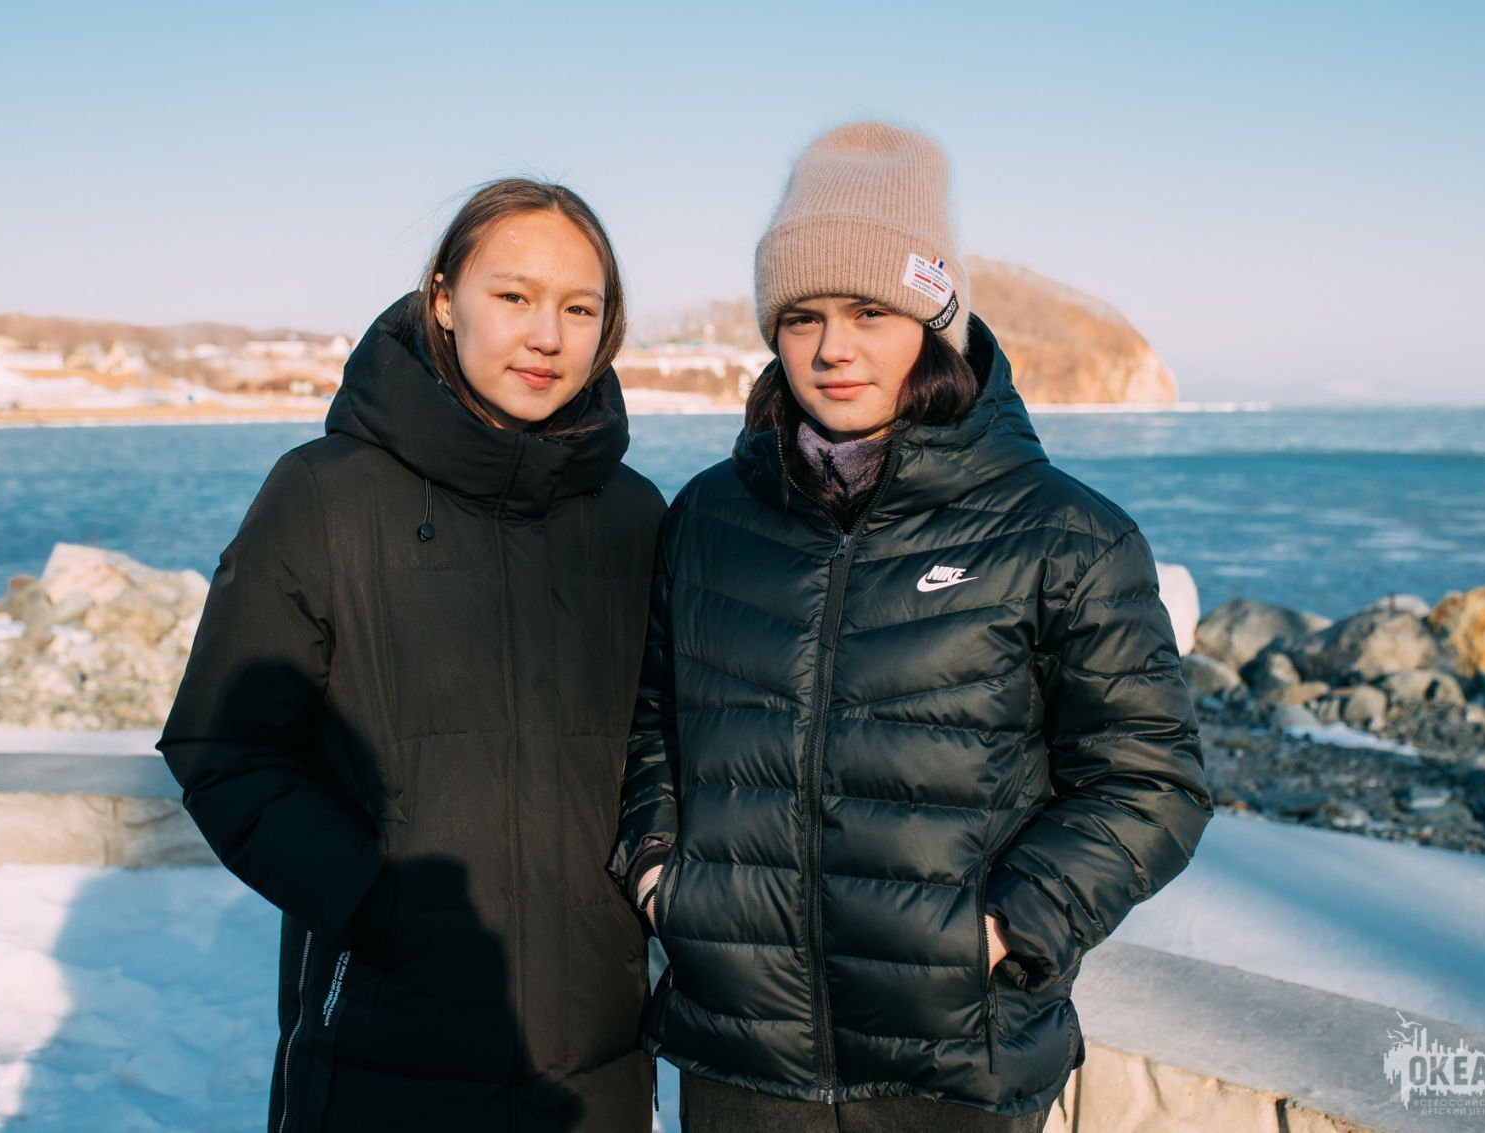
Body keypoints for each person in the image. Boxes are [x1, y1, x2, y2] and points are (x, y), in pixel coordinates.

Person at [610, 122, 1212, 1131]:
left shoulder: (1062, 533)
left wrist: (1003, 928)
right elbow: (651, 724)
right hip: (738, 1062)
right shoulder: (710, 519)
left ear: (934, 321)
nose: (832, 348)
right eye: (800, 316)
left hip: (954, 1069)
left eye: (869, 310)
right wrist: (662, 875)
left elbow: (1152, 778)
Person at [160, 178, 664, 1132]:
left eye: (579, 308)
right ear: (443, 299)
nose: (546, 336)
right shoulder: (324, 494)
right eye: (513, 295)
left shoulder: (635, 514)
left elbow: (658, 737)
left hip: (595, 1060)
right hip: (379, 1047)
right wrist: (374, 902)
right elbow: (223, 747)